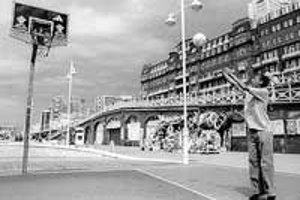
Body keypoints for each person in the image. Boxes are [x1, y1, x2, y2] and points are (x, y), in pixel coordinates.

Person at [222, 68, 276, 200]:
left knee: (266, 162)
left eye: (256, 78)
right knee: (253, 162)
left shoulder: (263, 92)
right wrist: (225, 74)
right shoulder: (250, 94)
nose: (253, 79)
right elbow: (237, 85)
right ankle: (257, 191)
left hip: (264, 131)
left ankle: (270, 192)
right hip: (251, 131)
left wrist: (233, 74)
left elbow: (244, 86)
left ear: (261, 83)